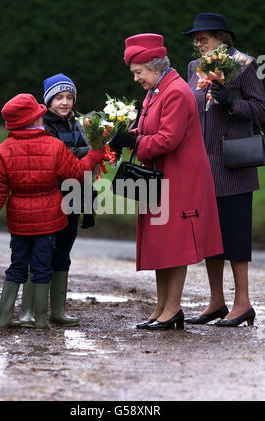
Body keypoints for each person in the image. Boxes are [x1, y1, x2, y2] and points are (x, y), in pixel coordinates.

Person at [109, 33, 223, 330]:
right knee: (161, 245)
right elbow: (148, 128)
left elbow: (167, 139)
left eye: (138, 72)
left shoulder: (175, 91)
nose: (136, 79)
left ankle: (172, 310)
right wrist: (126, 135)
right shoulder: (157, 89)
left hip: (180, 180)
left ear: (155, 66)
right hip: (160, 179)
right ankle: (161, 308)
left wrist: (135, 144)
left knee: (174, 245)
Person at [0, 93, 105, 329]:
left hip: (19, 221)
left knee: (16, 265)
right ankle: (39, 321)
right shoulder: (54, 146)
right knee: (42, 266)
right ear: (35, 120)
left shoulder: (3, 150)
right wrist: (94, 156)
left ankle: (5, 319)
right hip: (50, 219)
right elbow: (77, 173)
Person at [182, 13, 265, 327]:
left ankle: (243, 303)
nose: (197, 43)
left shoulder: (244, 63)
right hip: (201, 164)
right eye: (195, 39)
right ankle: (216, 302)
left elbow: (261, 109)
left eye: (203, 37)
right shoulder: (193, 68)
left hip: (234, 164)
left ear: (222, 38)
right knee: (209, 237)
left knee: (236, 236)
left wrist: (232, 102)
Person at [20, 73, 96, 328]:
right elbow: (56, 158)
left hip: (73, 199)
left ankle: (58, 311)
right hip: (49, 200)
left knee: (63, 254)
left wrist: (89, 206)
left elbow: (85, 170)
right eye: (59, 97)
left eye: (69, 97)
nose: (65, 102)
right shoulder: (42, 125)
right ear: (49, 100)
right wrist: (90, 152)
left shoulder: (81, 125)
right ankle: (29, 311)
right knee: (40, 255)